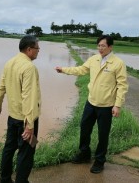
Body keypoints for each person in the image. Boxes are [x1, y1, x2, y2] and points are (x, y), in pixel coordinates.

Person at [55, 35, 128, 174]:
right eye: (98, 45)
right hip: (91, 102)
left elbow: (122, 85)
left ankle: (99, 161)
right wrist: (64, 69)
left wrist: (117, 105)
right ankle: (84, 154)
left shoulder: (118, 63)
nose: (100, 48)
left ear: (110, 47)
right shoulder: (94, 59)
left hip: (106, 105)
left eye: (103, 46)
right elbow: (81, 69)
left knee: (103, 134)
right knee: (84, 129)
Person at [0, 35, 41, 183]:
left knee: (9, 148)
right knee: (25, 154)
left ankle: (5, 179)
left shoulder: (9, 63)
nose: (39, 51)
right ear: (29, 49)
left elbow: (1, 86)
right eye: (37, 48)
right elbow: (29, 97)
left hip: (12, 117)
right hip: (25, 119)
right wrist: (30, 125)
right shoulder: (29, 68)